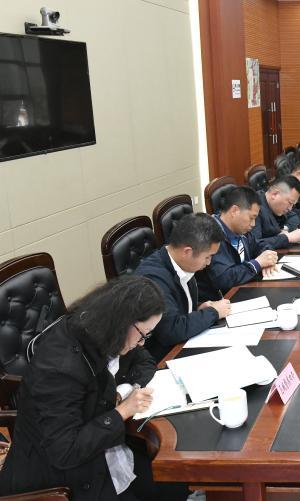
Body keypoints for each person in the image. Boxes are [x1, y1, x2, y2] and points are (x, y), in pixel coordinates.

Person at [0, 275, 191, 500]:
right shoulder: (60, 369)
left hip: (101, 447)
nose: (141, 343)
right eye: (142, 335)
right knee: (169, 485)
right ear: (123, 321)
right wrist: (122, 411)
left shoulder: (101, 330)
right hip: (61, 477)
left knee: (176, 484)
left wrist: (122, 392)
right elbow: (65, 451)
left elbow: (145, 361)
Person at [134, 213, 230, 361]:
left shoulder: (181, 264)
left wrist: (198, 308)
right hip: (164, 358)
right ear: (187, 252)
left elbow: (175, 307)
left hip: (185, 343)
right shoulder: (153, 280)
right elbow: (170, 331)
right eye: (207, 257)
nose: (209, 262)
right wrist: (213, 313)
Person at [196, 186, 279, 301]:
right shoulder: (212, 236)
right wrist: (257, 264)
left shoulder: (241, 231)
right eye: (251, 218)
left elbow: (259, 245)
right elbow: (224, 279)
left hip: (244, 290)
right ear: (234, 211)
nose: (253, 224)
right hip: (222, 301)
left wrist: (268, 257)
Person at [253, 176, 300, 250]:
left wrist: (285, 229)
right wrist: (287, 238)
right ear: (274, 194)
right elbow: (254, 245)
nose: (290, 208)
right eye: (290, 203)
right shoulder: (255, 208)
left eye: (293, 204)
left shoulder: (276, 205)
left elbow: (294, 217)